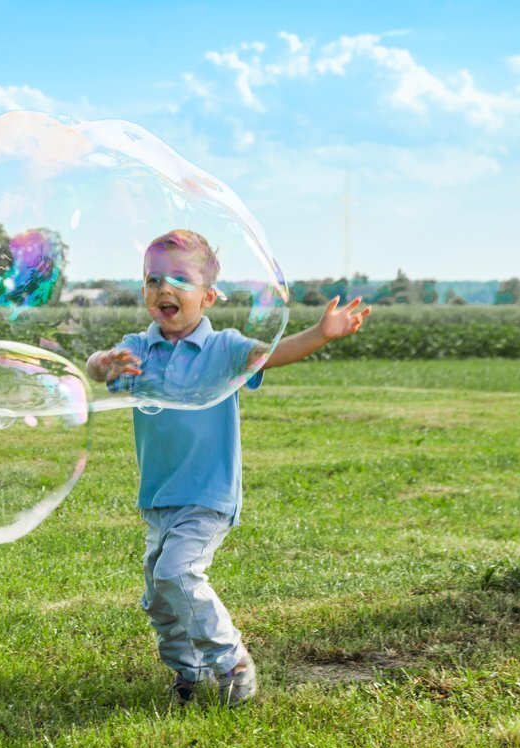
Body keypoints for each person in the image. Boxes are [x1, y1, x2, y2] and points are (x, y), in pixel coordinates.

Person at [85, 229, 371, 707]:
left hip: (208, 493)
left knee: (177, 573)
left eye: (180, 278)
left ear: (209, 296)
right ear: (143, 293)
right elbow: (95, 367)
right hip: (159, 496)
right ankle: (187, 674)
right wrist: (104, 363)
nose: (165, 288)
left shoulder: (226, 349)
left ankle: (231, 661)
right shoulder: (137, 348)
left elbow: (273, 354)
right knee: (159, 595)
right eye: (154, 278)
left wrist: (321, 334)